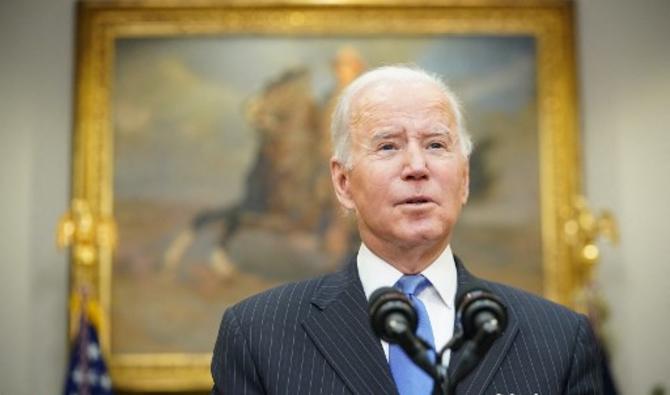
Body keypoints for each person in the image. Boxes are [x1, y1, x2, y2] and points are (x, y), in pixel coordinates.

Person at [211, 65, 604, 394]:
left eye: (435, 145)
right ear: (343, 183)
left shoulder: (558, 339)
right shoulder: (258, 335)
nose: (417, 166)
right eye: (388, 147)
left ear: (464, 179)